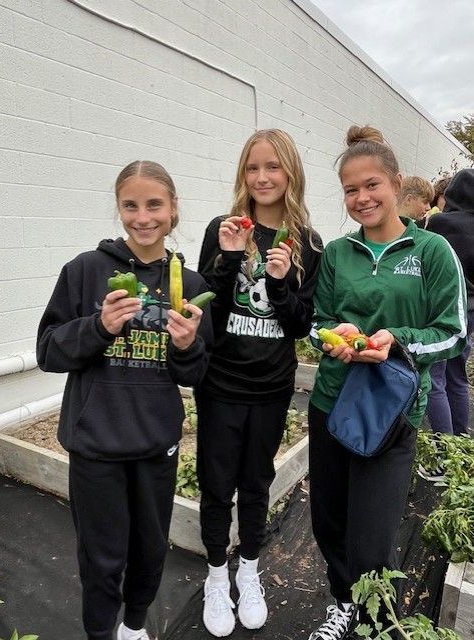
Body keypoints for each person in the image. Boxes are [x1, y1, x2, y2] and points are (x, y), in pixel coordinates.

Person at [36, 161, 213, 640]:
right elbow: (48, 351)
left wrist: (185, 345)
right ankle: (100, 633)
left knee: (150, 549)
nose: (142, 216)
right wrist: (100, 326)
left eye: (154, 204)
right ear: (119, 209)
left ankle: (134, 627)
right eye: (130, 205)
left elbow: (196, 373)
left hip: (156, 444)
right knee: (100, 555)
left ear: (173, 209)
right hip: (96, 444)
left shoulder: (189, 285)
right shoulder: (85, 271)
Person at [307, 125, 467, 640]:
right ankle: (341, 604)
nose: (362, 197)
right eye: (351, 189)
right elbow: (317, 323)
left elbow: (453, 333)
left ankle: (375, 622)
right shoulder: (337, 253)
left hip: (394, 411)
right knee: (329, 521)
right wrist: (335, 338)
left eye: (371, 184)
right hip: (333, 404)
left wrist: (393, 340)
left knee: (372, 537)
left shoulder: (433, 251)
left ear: (396, 183)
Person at [196, 129, 323, 637]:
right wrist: (229, 257)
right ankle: (214, 574)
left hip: (272, 386)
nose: (262, 177)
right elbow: (213, 312)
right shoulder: (224, 228)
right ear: (242, 174)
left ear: (290, 173)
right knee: (215, 484)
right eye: (253, 167)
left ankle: (248, 569)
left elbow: (299, 326)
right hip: (220, 382)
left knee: (256, 483)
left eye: (273, 167)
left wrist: (278, 280)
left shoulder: (308, 243)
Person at [424, 169, 474, 448]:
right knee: (458, 375)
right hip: (472, 313)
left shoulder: (441, 223)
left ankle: (443, 447)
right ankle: (460, 440)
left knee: (435, 376)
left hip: (444, 308)